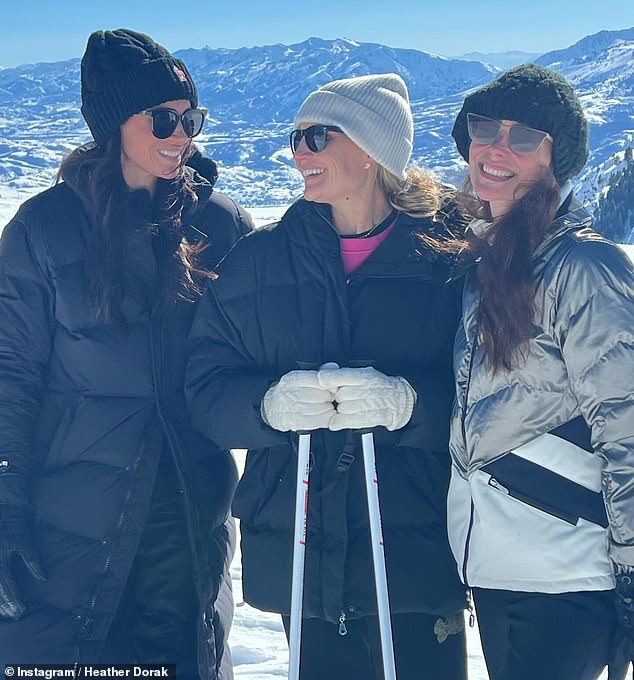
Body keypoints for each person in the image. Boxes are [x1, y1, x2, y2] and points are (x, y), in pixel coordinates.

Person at [186, 73, 468, 680]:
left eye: (316, 137)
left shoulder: (447, 258)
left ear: (372, 151)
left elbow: (497, 389)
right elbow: (203, 386)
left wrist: (410, 406)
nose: (297, 154)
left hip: (417, 546)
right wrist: (266, 408)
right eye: (294, 138)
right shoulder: (259, 264)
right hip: (304, 553)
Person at [0, 28, 253, 678]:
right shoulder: (44, 229)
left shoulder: (218, 224)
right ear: (114, 124)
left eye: (190, 119)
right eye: (164, 118)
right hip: (69, 528)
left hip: (186, 526)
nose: (182, 135)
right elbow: (11, 380)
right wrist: (5, 510)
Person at [446, 63, 634, 680]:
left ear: (558, 159)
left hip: (567, 573)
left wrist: (632, 568)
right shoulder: (488, 261)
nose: (496, 147)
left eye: (523, 136)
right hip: (498, 566)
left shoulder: (583, 267)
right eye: (483, 127)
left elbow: (627, 421)